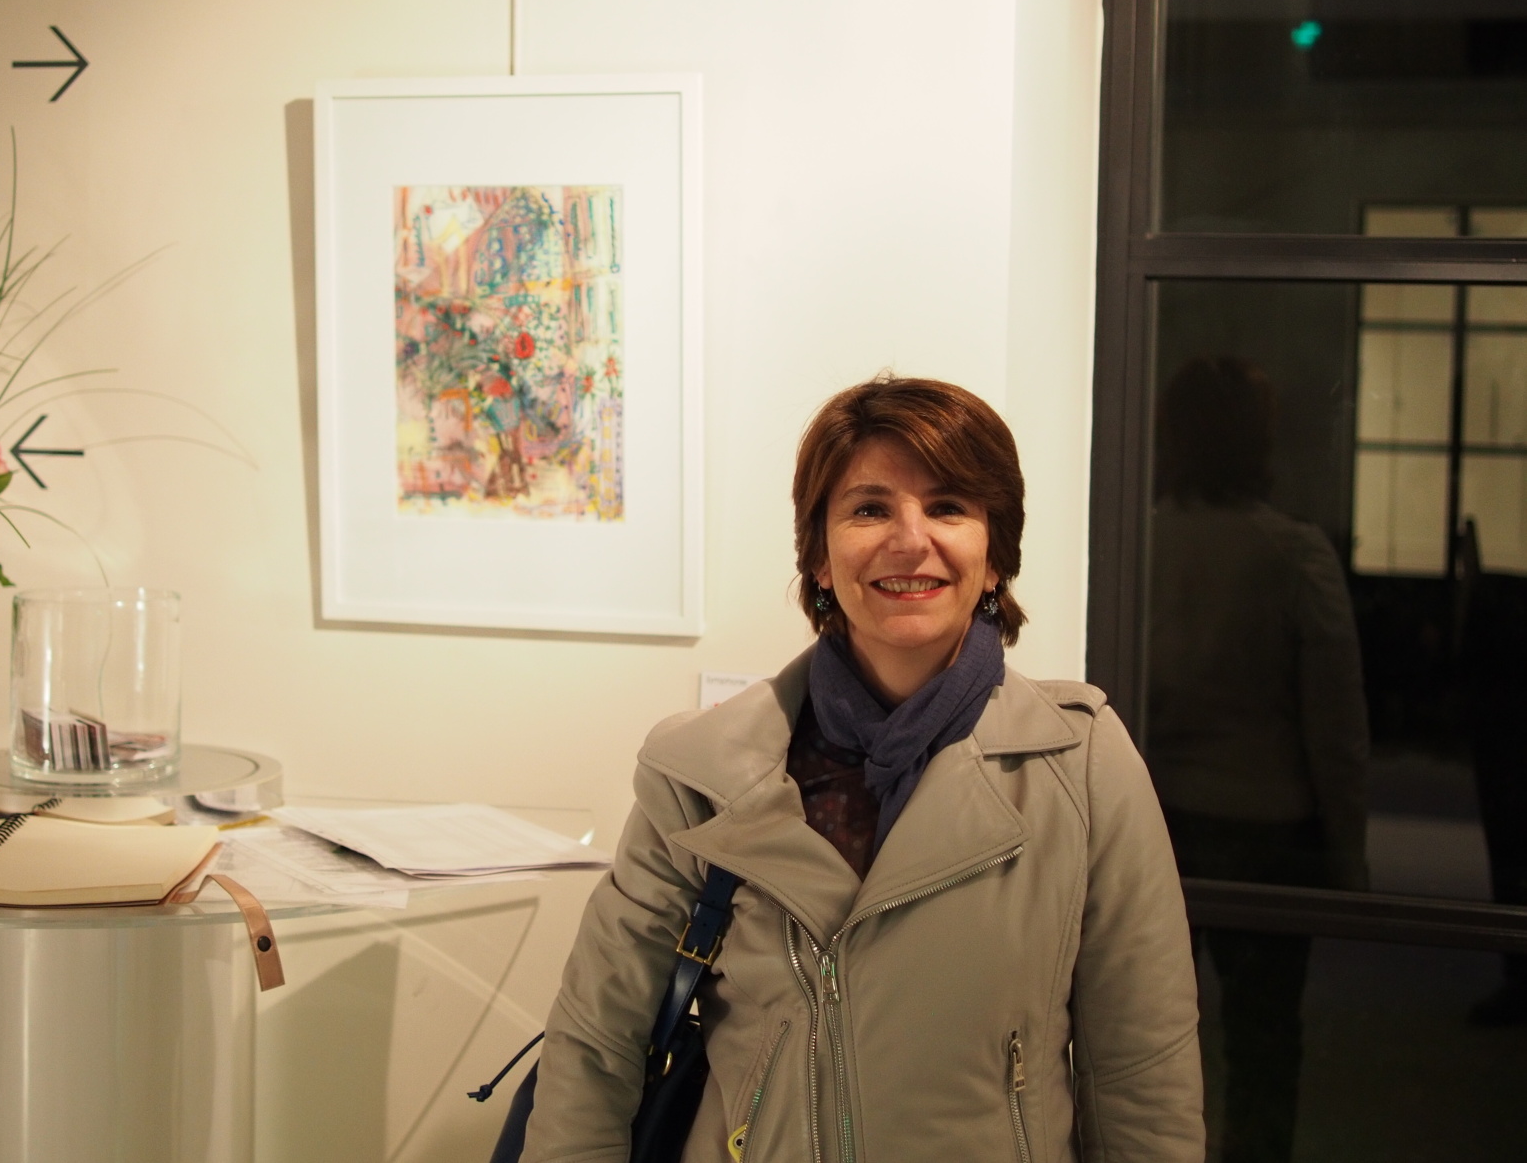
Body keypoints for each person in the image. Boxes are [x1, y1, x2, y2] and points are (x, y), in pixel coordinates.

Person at [520, 376, 1203, 1163]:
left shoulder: (1080, 764)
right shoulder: (699, 773)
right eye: (870, 509)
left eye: (947, 507)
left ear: (993, 558)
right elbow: (595, 1045)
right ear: (818, 555)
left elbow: (1141, 1068)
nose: (909, 540)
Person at [1146, 355, 1368, 1163]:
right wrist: (1348, 854)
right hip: (1267, 827)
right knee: (1264, 1044)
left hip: (1158, 820)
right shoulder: (1292, 554)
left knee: (1143, 1037)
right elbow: (1334, 726)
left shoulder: (1138, 544)